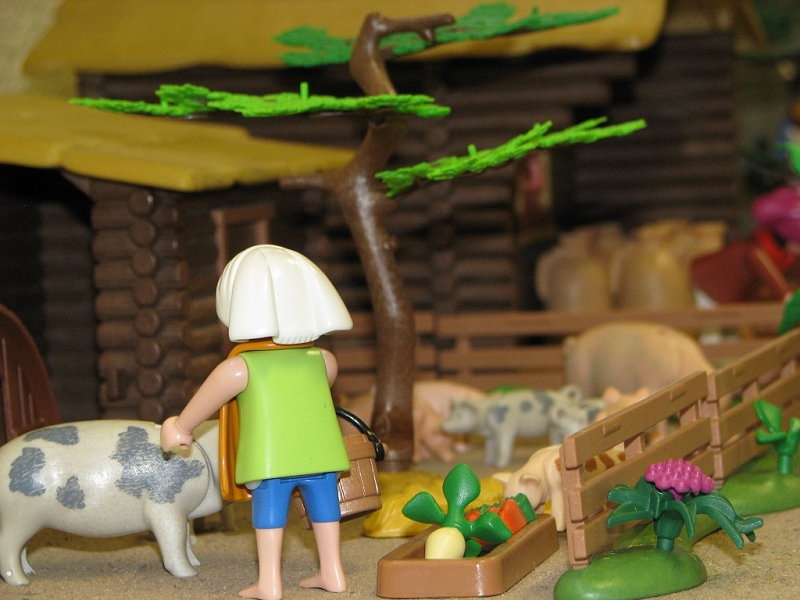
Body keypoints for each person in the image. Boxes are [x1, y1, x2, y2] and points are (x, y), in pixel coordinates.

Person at [160, 245, 353, 600]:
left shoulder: (239, 368)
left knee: (269, 517)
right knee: (326, 512)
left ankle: (270, 583)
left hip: (272, 459)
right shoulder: (324, 359)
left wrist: (180, 427)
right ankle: (333, 572)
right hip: (323, 456)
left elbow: (201, 406)